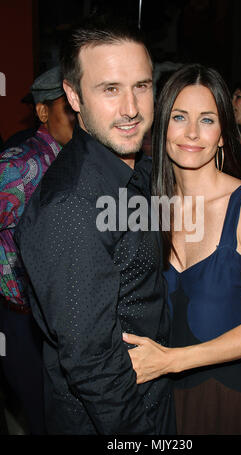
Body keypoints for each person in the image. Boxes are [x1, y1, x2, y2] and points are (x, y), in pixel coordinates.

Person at [15, 17, 176, 435]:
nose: (131, 108)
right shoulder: (70, 205)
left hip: (154, 399)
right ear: (73, 94)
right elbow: (92, 365)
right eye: (110, 89)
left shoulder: (133, 172)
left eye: (141, 86)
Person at [122, 64, 241, 435]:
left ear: (224, 135)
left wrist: (172, 361)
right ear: (162, 126)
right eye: (179, 117)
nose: (192, 133)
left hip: (229, 405)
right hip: (160, 403)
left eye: (207, 120)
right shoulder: (148, 206)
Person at [0, 66, 75, 434]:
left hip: (68, 320)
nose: (79, 114)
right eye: (68, 107)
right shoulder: (20, 165)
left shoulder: (80, 161)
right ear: (43, 112)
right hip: (25, 322)